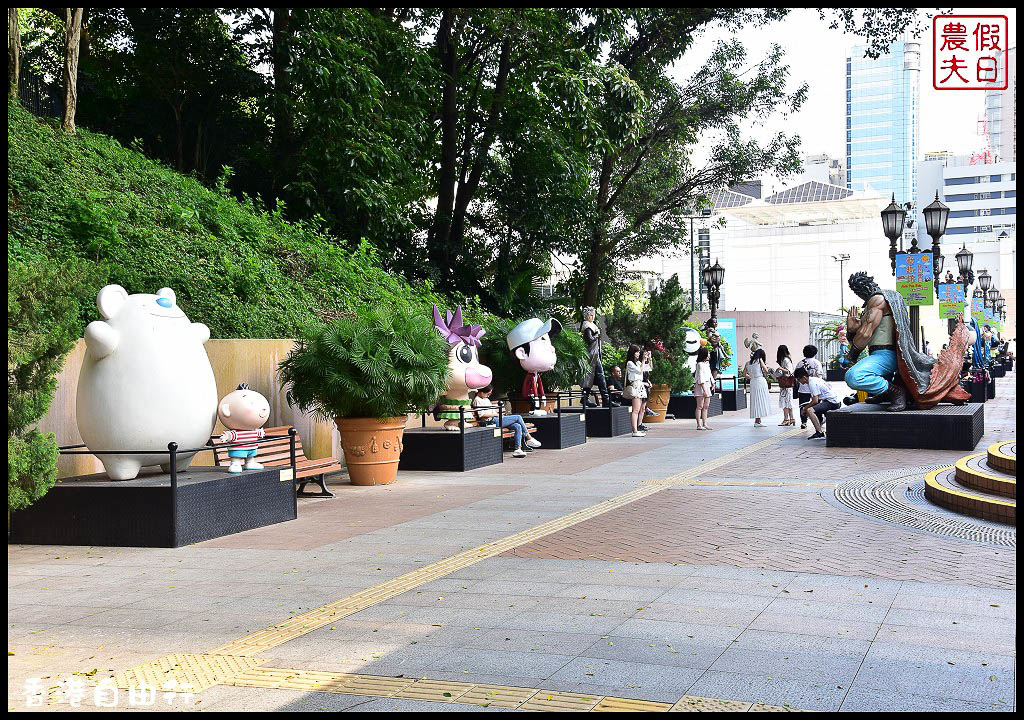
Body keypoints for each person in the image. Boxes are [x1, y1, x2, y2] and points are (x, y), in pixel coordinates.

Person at [844, 271, 970, 410]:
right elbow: (860, 335)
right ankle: (884, 393)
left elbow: (865, 334)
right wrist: (851, 330)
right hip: (876, 354)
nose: (857, 293)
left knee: (854, 376)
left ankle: (896, 393)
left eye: (856, 289)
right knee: (861, 374)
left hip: (886, 354)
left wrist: (852, 355)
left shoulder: (877, 300)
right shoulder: (871, 304)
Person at [472, 385, 541, 458]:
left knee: (518, 426)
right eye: (487, 394)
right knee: (518, 417)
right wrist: (495, 414)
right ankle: (529, 438)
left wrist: (499, 415)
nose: (488, 396)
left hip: (496, 419)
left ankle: (518, 449)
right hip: (491, 422)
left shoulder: (486, 399)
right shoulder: (477, 400)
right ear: (482, 392)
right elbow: (481, 414)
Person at [580, 307, 615, 408]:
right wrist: (597, 335)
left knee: (594, 377)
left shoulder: (592, 325)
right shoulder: (587, 326)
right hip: (592, 354)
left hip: (595, 354)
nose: (592, 316)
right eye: (590, 315)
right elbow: (590, 339)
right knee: (600, 375)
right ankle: (606, 399)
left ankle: (586, 398)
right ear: (586, 316)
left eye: (593, 314)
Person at [794, 367, 841, 440]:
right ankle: (821, 428)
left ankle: (819, 432)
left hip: (832, 402)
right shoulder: (815, 379)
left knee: (809, 410)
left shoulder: (812, 383)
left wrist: (804, 409)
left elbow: (815, 401)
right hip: (832, 400)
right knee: (812, 408)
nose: (799, 381)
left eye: (798, 379)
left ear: (804, 377)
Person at [624, 344, 651, 437]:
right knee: (635, 410)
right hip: (635, 385)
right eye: (637, 352)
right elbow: (639, 371)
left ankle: (636, 429)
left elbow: (649, 368)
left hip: (640, 386)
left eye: (639, 352)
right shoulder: (630, 363)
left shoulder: (638, 363)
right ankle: (634, 431)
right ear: (632, 352)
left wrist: (649, 359)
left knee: (639, 409)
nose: (638, 354)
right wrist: (643, 360)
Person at [795, 345, 822, 429]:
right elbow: (819, 374)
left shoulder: (800, 363)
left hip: (803, 389)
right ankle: (819, 420)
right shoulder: (817, 362)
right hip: (815, 389)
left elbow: (796, 375)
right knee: (817, 405)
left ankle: (804, 422)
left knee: (803, 405)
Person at [744, 348, 773, 426]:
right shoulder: (759, 360)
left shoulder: (747, 363)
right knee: (761, 399)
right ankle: (757, 420)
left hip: (753, 382)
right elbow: (766, 371)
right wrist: (764, 374)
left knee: (755, 400)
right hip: (760, 381)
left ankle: (757, 420)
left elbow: (744, 374)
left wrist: (751, 377)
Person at [693, 346, 714, 430]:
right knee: (700, 406)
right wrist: (704, 390)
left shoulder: (706, 364)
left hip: (707, 385)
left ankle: (705, 423)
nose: (709, 355)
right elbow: (700, 377)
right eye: (708, 353)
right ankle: (699, 424)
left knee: (706, 406)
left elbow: (710, 375)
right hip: (701, 385)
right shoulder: (699, 364)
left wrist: (713, 382)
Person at [775, 345, 795, 426]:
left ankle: (786, 419)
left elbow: (790, 371)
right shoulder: (786, 359)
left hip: (786, 384)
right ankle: (792, 419)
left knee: (785, 402)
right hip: (787, 384)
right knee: (788, 402)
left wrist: (780, 369)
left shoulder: (785, 360)